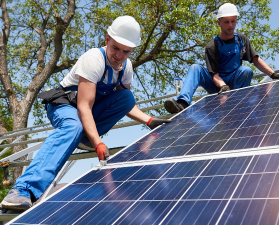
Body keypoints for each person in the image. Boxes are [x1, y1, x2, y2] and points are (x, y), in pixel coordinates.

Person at [0, 16, 170, 211]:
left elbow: (125, 104)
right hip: (65, 106)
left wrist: (149, 120)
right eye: (115, 48)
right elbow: (83, 107)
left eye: (126, 51)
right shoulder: (93, 59)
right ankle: (23, 190)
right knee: (73, 126)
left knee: (127, 97)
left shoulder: (126, 68)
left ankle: (85, 138)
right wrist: (98, 142)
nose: (119, 56)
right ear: (107, 40)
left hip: (88, 113)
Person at [164, 3, 279, 114]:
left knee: (246, 70)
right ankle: (182, 104)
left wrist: (273, 74)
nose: (230, 25)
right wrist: (223, 86)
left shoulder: (241, 40)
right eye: (226, 22)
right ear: (219, 23)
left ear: (236, 20)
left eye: (233, 21)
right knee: (195, 68)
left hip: (234, 82)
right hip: (216, 85)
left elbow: (255, 59)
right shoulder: (212, 46)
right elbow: (214, 75)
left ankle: (237, 104)